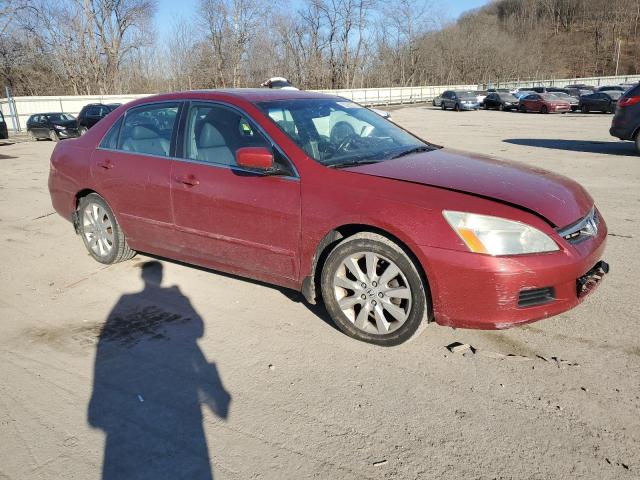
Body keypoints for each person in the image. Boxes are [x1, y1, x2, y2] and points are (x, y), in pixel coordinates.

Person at [88, 261, 231, 479]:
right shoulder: (175, 297)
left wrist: (97, 398)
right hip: (178, 387)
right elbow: (198, 328)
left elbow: (104, 346)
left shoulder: (127, 301)